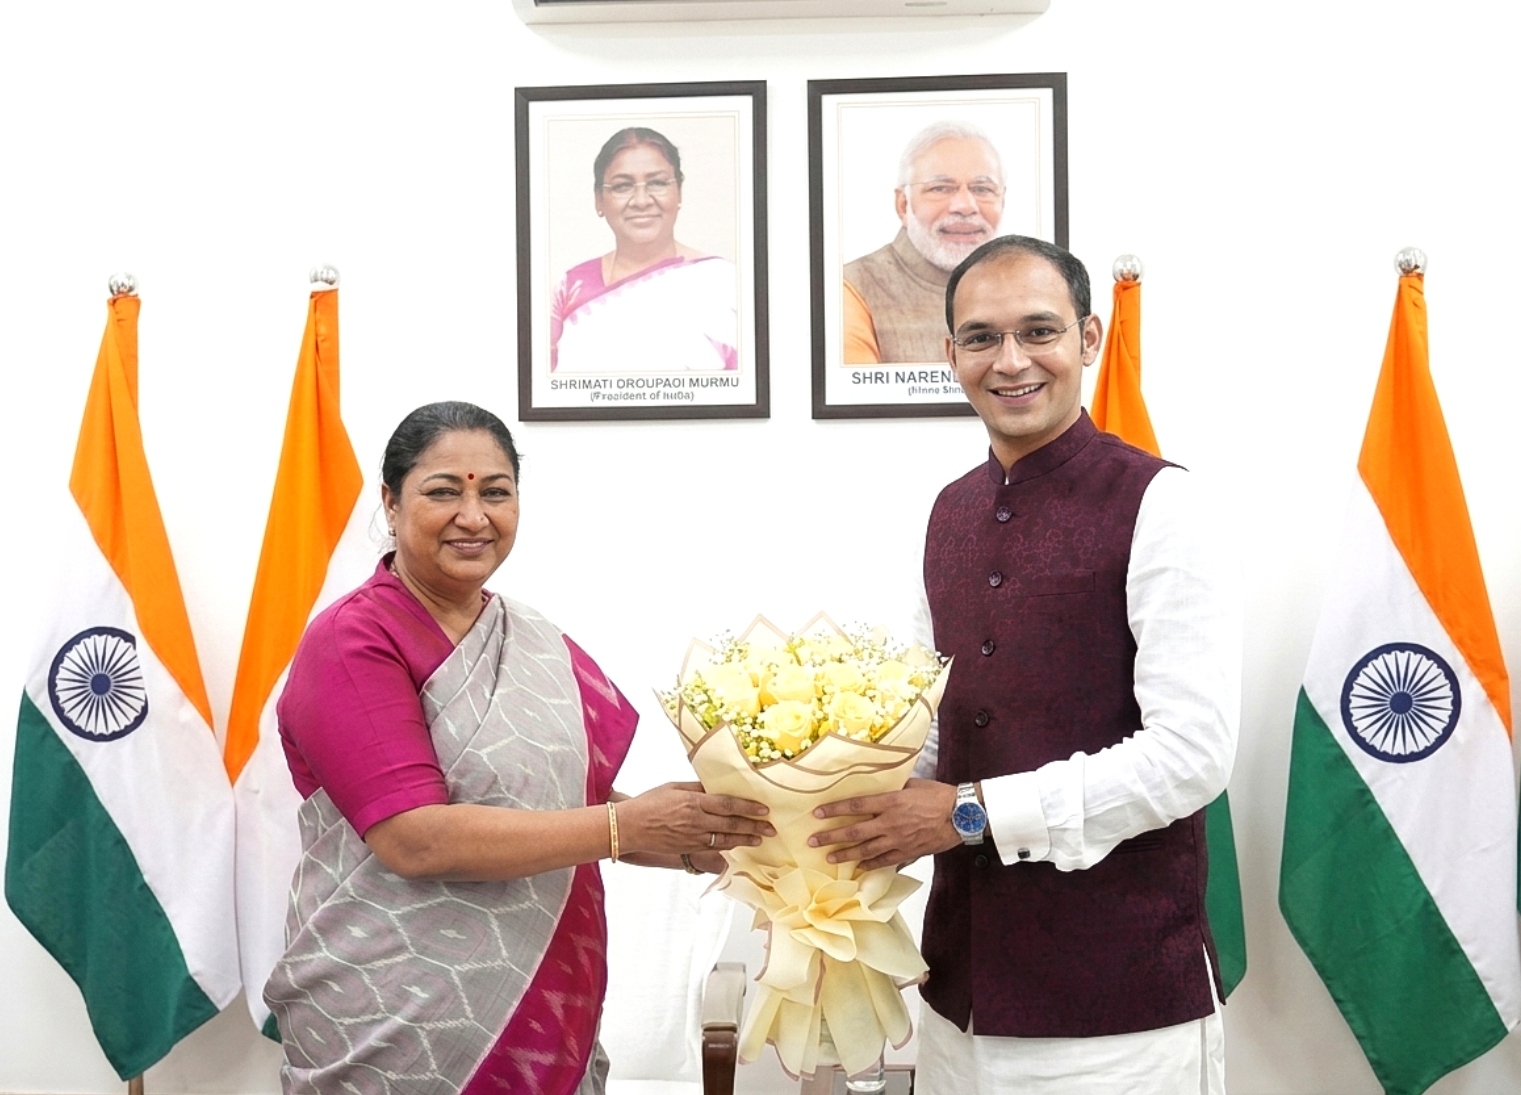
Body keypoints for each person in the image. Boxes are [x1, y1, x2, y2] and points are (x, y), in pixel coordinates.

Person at [813, 237, 1241, 1093]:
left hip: (1116, 1009)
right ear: (948, 354)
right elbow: (929, 728)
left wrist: (968, 816)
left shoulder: (1162, 503)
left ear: (1087, 338)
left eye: (1036, 331)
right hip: (955, 998)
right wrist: (807, 803)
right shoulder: (947, 512)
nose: (1009, 361)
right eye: (979, 337)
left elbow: (1191, 754)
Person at [264, 401, 772, 1095]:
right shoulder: (353, 642)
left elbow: (569, 808)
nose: (473, 516)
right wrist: (629, 828)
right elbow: (414, 837)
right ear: (389, 500)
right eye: (444, 490)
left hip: (544, 1012)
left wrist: (717, 841)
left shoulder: (534, 639)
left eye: (495, 492)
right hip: (396, 1026)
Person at [552, 126, 739, 373]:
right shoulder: (570, 289)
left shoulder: (726, 284)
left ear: (679, 192)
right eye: (622, 186)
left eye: (658, 183)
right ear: (599, 199)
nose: (641, 201)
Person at [842, 121, 1005, 365]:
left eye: (982, 189)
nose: (965, 206)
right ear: (903, 205)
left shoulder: (1025, 284)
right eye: (941, 188)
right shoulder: (854, 287)